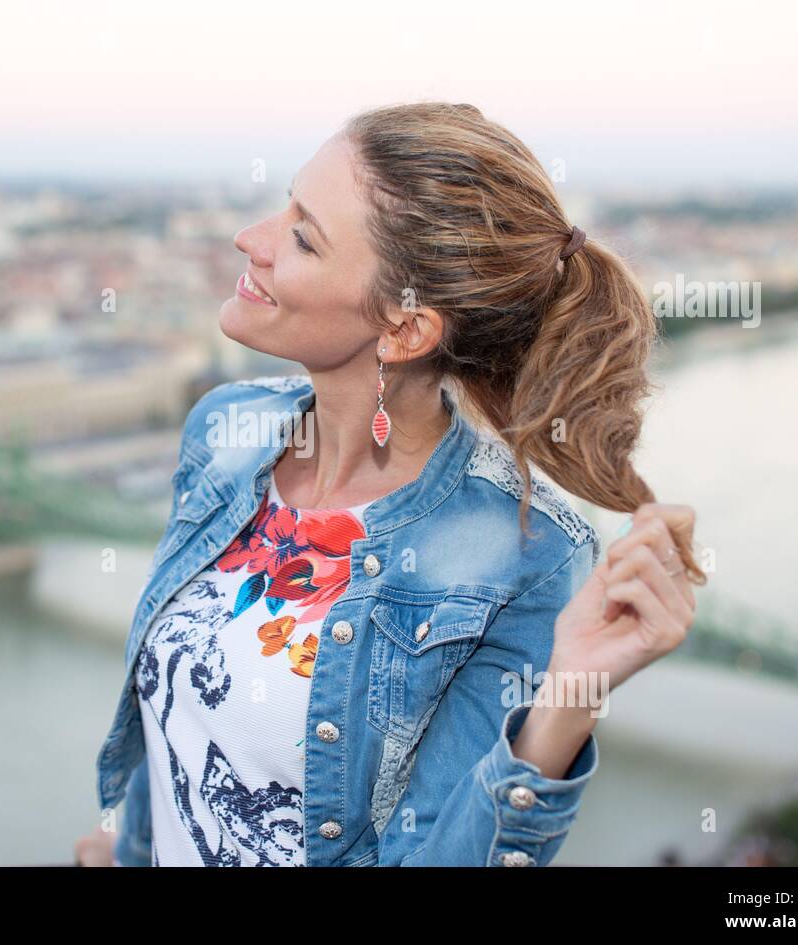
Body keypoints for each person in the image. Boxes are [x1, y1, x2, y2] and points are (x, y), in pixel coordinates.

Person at [77, 101, 701, 867]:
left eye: (302, 236)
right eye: (285, 206)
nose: (251, 241)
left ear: (405, 330)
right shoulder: (224, 431)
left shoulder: (525, 554)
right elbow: (176, 708)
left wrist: (568, 703)